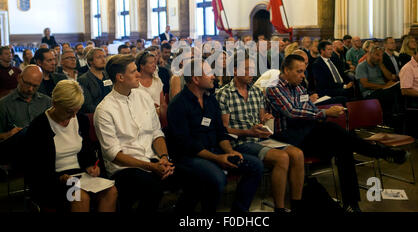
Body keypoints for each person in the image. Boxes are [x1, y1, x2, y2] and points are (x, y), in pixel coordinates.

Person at [266, 54, 409, 212]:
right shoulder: (274, 87)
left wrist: (321, 113)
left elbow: (310, 109)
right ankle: (381, 152)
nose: (303, 76)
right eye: (299, 72)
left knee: (344, 147)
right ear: (286, 70)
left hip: (307, 133)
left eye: (304, 71)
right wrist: (326, 114)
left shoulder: (299, 87)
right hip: (288, 137)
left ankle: (351, 203)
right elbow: (291, 112)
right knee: (332, 129)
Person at [167, 58, 264, 212]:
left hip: (214, 150)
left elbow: (221, 132)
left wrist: (230, 152)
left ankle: (239, 212)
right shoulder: (178, 105)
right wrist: (217, 159)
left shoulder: (210, 99)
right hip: (189, 157)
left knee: (255, 165)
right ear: (196, 79)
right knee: (217, 178)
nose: (213, 76)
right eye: (209, 73)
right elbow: (186, 143)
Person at [216, 52, 305, 213]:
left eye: (253, 68)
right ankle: (280, 208)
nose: (252, 72)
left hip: (258, 138)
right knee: (282, 158)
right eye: (247, 68)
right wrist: (249, 131)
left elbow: (261, 118)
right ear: (235, 70)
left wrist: (265, 120)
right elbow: (224, 129)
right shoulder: (224, 94)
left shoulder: (256, 92)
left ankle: (297, 204)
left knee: (297, 154)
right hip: (240, 142)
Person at [94, 54, 176, 212]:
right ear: (120, 77)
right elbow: (114, 155)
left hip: (152, 160)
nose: (139, 74)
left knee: (192, 176)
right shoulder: (104, 110)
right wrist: (152, 167)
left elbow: (156, 133)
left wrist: (164, 158)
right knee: (152, 189)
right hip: (124, 168)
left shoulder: (143, 97)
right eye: (133, 72)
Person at [26, 80, 118, 212]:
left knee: (111, 191)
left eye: (76, 110)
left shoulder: (80, 120)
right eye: (69, 111)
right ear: (55, 104)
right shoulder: (39, 126)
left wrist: (91, 166)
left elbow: (87, 152)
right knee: (80, 196)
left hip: (81, 176)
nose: (73, 115)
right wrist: (61, 178)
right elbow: (36, 169)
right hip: (53, 182)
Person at [0, 65, 52, 166]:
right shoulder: (3, 105)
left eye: (35, 86)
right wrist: (8, 135)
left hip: (45, 153)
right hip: (17, 156)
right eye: (27, 84)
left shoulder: (47, 102)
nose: (30, 89)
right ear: (19, 78)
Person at [355, 46, 400, 125]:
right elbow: (365, 84)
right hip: (370, 93)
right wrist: (384, 86)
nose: (379, 58)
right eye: (377, 55)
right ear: (369, 54)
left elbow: (389, 77)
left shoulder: (378, 64)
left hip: (382, 90)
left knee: (399, 89)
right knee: (389, 95)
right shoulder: (362, 66)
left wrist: (381, 65)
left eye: (381, 55)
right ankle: (389, 120)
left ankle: (396, 118)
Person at [78, 48, 112, 114]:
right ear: (91, 61)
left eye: (104, 56)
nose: (103, 60)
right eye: (99, 57)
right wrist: (105, 112)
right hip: (96, 114)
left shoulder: (109, 76)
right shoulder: (83, 79)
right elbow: (88, 105)